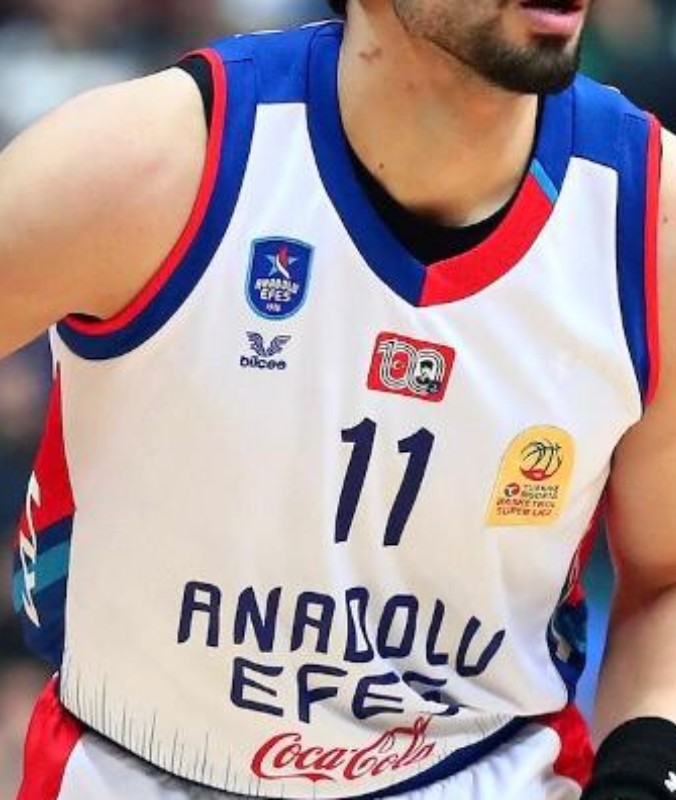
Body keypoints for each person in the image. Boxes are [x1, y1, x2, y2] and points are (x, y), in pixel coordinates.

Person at [1, 0, 675, 798]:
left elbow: (664, 580)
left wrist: (642, 776)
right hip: (135, 766)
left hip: (480, 770)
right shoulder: (151, 163)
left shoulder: (648, 215)